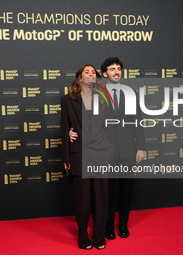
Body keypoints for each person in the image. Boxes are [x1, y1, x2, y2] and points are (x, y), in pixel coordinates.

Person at [69, 57, 146, 240]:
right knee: (107, 193)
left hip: (128, 149)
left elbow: (138, 122)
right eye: (112, 69)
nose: (116, 72)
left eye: (119, 68)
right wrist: (70, 131)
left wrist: (141, 147)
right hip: (105, 150)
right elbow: (84, 119)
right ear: (104, 74)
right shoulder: (95, 93)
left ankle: (124, 225)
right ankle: (108, 227)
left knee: (126, 191)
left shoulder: (131, 93)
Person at [61, 64, 114, 250]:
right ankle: (83, 239)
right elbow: (64, 127)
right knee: (83, 202)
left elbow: (112, 126)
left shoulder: (104, 99)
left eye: (93, 72)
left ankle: (99, 239)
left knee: (101, 200)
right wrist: (67, 152)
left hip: (101, 154)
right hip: (80, 155)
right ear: (80, 78)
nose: (91, 74)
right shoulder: (68, 100)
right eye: (87, 72)